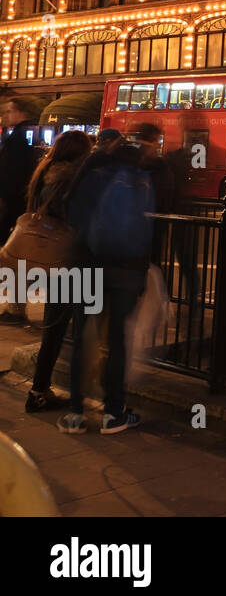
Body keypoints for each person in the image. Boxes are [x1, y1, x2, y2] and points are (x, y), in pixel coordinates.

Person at [58, 123, 163, 434]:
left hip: (86, 264)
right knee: (117, 339)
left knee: (83, 337)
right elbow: (149, 228)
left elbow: (70, 208)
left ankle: (75, 414)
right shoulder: (141, 178)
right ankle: (113, 413)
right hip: (126, 269)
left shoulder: (92, 169)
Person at [24, 130, 93, 413]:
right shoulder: (73, 179)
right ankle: (50, 392)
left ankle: (39, 390)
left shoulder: (45, 173)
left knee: (55, 328)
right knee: (82, 326)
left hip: (51, 260)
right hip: (72, 261)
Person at [0, 97, 42, 322]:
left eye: (9, 111)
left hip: (13, 207)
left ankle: (16, 306)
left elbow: (10, 176)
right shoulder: (30, 134)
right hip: (21, 205)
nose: (6, 116)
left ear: (20, 112)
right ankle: (16, 305)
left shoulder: (17, 138)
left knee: (14, 257)